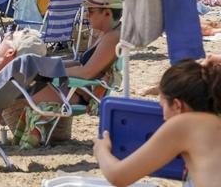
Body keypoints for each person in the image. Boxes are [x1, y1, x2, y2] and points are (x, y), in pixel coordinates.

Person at [93, 58, 221, 187]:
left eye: (162, 106)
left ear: (177, 105)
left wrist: (101, 149)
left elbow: (118, 176)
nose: (163, 117)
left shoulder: (185, 125)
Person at [30, 0, 122, 106]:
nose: (86, 16)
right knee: (19, 81)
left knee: (13, 92)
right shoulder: (108, 33)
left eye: (90, 11)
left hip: (78, 93)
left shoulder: (112, 39)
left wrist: (49, 71)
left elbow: (86, 72)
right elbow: (81, 63)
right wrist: (46, 66)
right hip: (74, 89)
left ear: (107, 13)